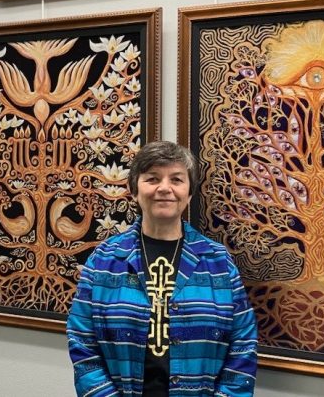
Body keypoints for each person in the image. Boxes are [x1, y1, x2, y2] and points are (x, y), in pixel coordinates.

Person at [67, 141, 258, 396]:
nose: (165, 188)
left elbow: (243, 345)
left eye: (176, 179)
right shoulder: (103, 260)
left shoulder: (218, 262)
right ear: (134, 190)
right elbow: (82, 342)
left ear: (189, 193)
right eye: (152, 179)